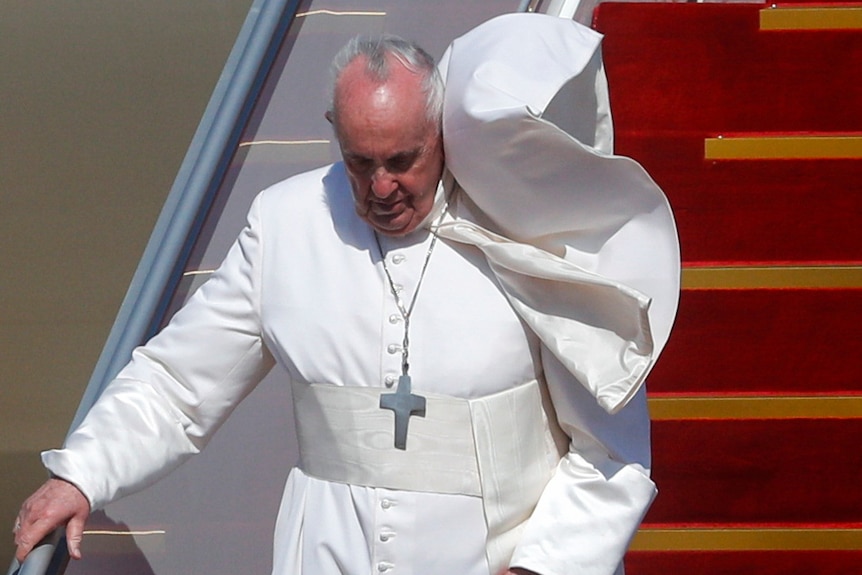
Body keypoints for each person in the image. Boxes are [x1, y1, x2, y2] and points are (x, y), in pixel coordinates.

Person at [14, 13, 679, 575]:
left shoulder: (528, 230)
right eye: (361, 162)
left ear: (441, 132)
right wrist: (82, 474)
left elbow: (612, 450)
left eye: (404, 160)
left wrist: (544, 567)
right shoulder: (284, 225)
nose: (382, 187)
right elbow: (178, 382)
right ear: (333, 128)